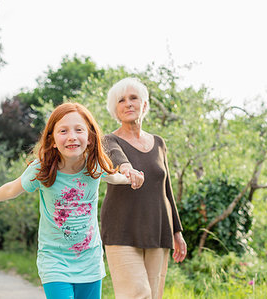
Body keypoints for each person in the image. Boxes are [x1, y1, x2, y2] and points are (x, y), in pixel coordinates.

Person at [0, 102, 143, 299]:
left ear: (90, 137)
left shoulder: (94, 166)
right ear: (52, 140)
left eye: (79, 130)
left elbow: (115, 177)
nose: (72, 137)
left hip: (89, 261)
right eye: (63, 131)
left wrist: (132, 176)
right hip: (54, 261)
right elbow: (12, 189)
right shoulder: (41, 169)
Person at [101, 77, 187, 299]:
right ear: (115, 109)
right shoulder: (109, 140)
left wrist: (177, 231)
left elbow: (166, 189)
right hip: (122, 230)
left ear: (145, 105)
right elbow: (116, 158)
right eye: (122, 100)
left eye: (134, 98)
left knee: (154, 294)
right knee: (137, 293)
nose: (128, 104)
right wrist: (127, 168)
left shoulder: (159, 143)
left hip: (159, 230)